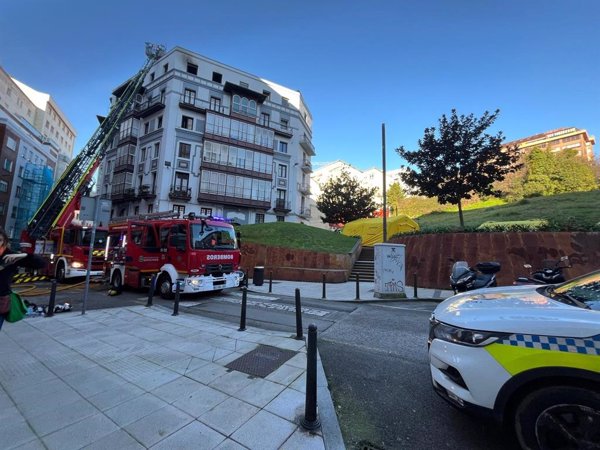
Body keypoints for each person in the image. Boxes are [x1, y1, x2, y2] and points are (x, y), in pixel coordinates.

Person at [0, 229, 46, 330]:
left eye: (0, 240)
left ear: (4, 241)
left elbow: (41, 264)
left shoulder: (10, 256)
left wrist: (23, 255)